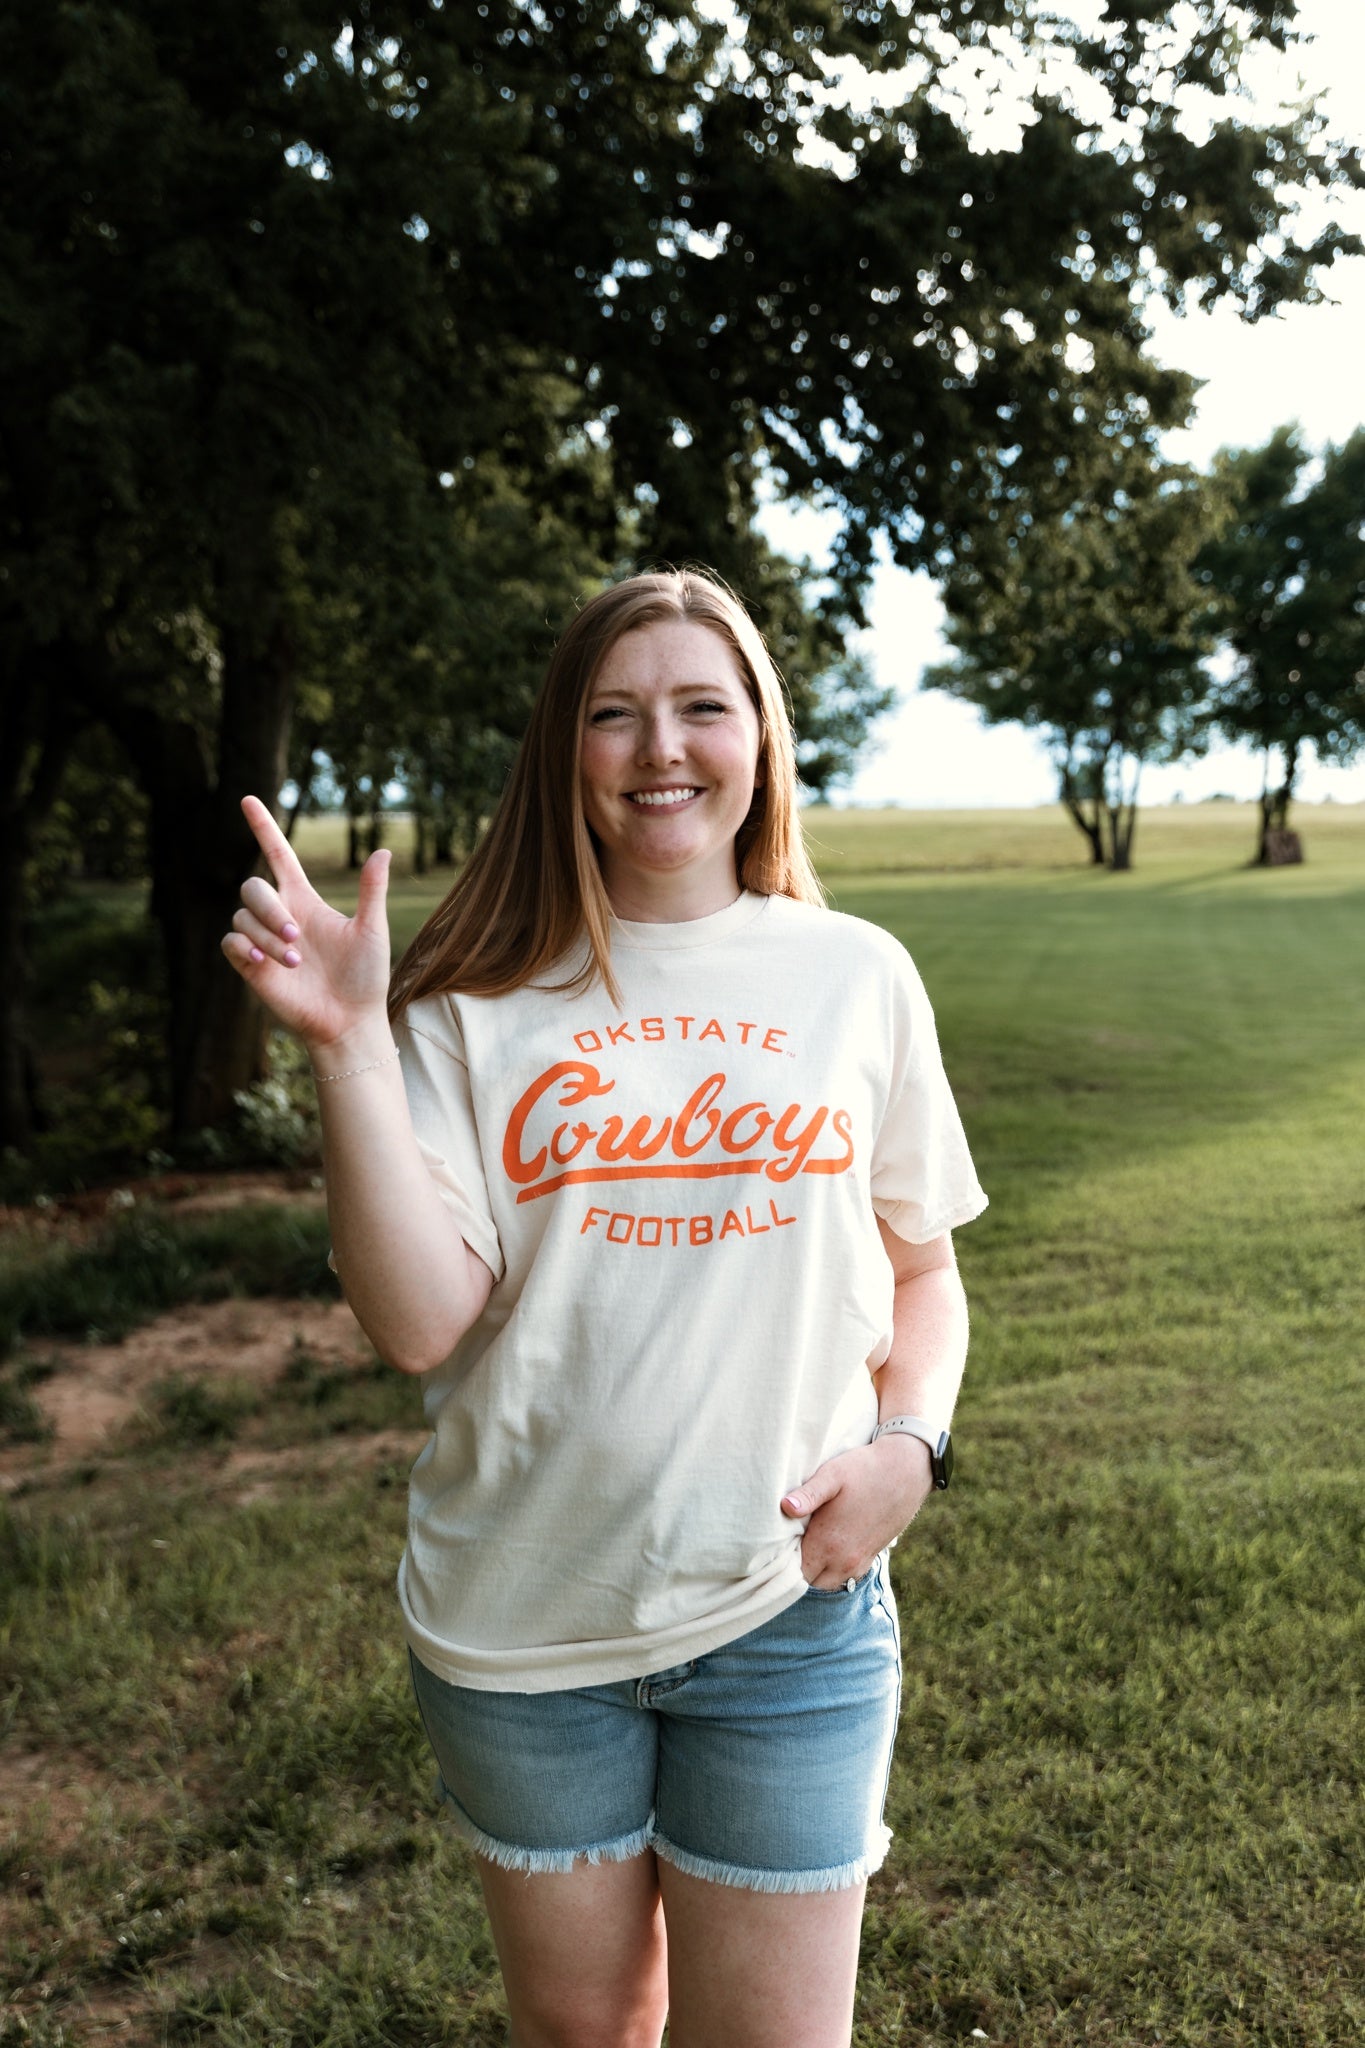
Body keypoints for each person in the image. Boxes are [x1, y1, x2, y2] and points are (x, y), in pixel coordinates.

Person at [221, 567, 986, 2048]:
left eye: (703, 707)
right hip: (523, 1626)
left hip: (787, 1610)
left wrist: (912, 1449)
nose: (661, 750)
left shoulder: (856, 976)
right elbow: (420, 1323)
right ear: (563, 748)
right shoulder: (468, 1004)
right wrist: (349, 1052)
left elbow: (924, 1273)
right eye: (615, 714)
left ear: (759, 737)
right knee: (583, 2035)